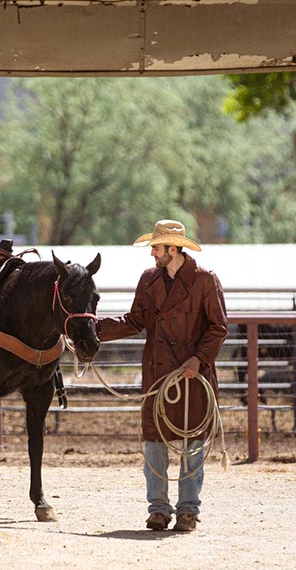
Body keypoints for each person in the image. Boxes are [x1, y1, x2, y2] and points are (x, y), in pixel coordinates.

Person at [96, 219, 228, 532]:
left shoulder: (204, 281)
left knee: (192, 443)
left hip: (192, 377)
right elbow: (134, 320)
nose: (152, 253)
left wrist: (198, 359)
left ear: (172, 248)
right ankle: (158, 509)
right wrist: (95, 330)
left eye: (156, 247)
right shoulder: (148, 280)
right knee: (154, 443)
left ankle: (187, 511)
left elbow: (218, 327)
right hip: (157, 376)